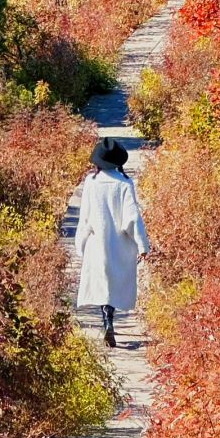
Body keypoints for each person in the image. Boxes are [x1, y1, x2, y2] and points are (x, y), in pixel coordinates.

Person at [75, 137, 150, 347]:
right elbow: (132, 218)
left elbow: (85, 217)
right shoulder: (124, 184)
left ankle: (106, 320)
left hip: (96, 243)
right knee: (114, 285)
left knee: (101, 284)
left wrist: (80, 243)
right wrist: (143, 245)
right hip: (119, 245)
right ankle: (110, 317)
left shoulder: (91, 183)